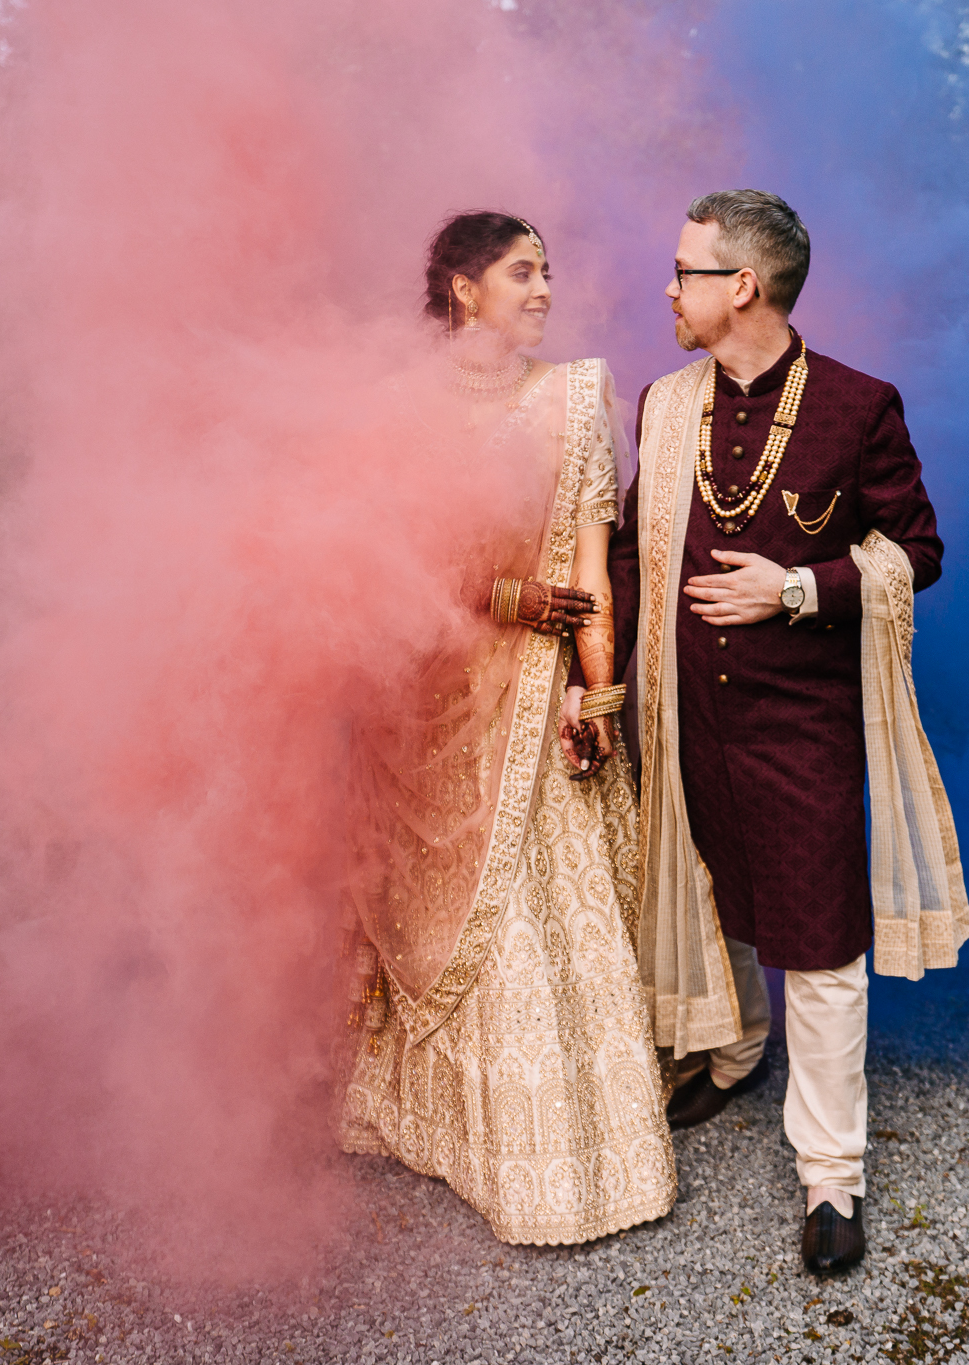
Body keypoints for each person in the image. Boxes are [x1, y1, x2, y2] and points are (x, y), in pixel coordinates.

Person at [612, 190, 969, 1273]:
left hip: (801, 722)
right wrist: (587, 675)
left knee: (817, 943)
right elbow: (634, 548)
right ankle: (731, 1054)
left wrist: (799, 590)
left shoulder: (859, 406)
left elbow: (917, 550)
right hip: (682, 713)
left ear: (742, 287)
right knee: (706, 892)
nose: (667, 289)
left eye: (684, 270)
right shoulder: (662, 403)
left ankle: (830, 1178)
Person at [337, 211, 676, 1245]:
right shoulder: (392, 411)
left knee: (541, 906)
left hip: (534, 696)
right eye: (520, 273)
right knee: (429, 903)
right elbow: (368, 557)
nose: (541, 291)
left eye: (546, 274)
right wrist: (497, 593)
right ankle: (429, 1127)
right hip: (426, 696)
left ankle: (568, 1168)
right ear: (459, 291)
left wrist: (595, 690)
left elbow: (588, 563)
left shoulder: (575, 395)